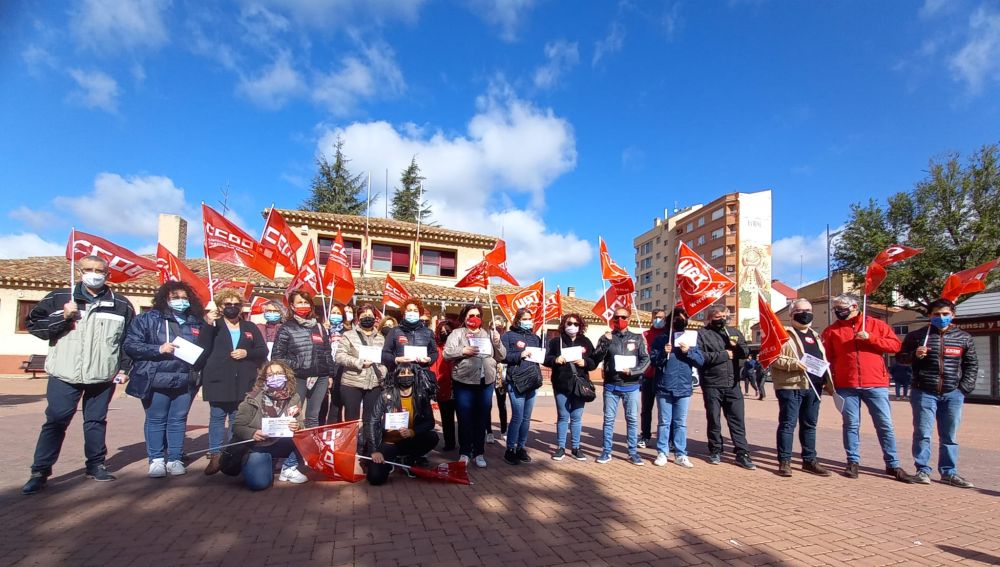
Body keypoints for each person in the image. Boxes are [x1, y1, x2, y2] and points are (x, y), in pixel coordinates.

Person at [21, 255, 136, 495]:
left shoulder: (121, 304)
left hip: (102, 374)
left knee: (96, 421)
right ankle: (40, 471)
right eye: (88, 269)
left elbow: (127, 341)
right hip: (65, 373)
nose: (94, 274)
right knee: (56, 420)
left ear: (107, 274)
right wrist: (61, 317)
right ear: (79, 272)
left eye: (99, 270)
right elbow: (34, 325)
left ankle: (96, 465)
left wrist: (125, 369)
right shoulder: (59, 297)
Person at [821, 293, 915, 483]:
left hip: (875, 383)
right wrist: (829, 383)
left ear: (855, 307)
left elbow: (895, 346)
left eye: (841, 308)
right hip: (846, 385)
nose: (838, 312)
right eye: (835, 309)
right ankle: (852, 461)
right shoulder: (831, 331)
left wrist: (871, 338)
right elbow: (827, 358)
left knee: (884, 424)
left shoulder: (876, 325)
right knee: (851, 424)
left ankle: (893, 464)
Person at [125, 281, 214, 478]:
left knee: (178, 420)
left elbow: (205, 348)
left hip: (186, 378)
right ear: (165, 298)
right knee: (156, 419)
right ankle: (156, 459)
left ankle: (175, 458)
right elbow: (130, 345)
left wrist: (209, 325)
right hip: (156, 376)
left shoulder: (196, 322)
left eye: (184, 298)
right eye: (175, 298)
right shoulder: (148, 319)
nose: (181, 301)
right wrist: (157, 349)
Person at [898, 298, 978, 488]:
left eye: (945, 314)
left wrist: (963, 389)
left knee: (949, 436)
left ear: (953, 315)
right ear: (929, 315)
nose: (941, 318)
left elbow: (971, 365)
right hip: (924, 391)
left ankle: (949, 472)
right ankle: (922, 470)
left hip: (953, 393)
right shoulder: (917, 336)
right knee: (923, 433)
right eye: (936, 314)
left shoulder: (963, 337)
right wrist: (914, 355)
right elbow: (900, 358)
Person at [200, 289, 268, 475]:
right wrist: (208, 323)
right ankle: (215, 454)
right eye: (228, 304)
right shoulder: (214, 325)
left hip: (244, 380)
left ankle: (230, 454)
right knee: (217, 416)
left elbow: (262, 350)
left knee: (237, 418)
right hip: (218, 378)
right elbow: (202, 347)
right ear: (220, 306)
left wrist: (247, 353)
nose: (232, 307)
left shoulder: (249, 327)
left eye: (236, 304)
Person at [769, 299, 832, 477]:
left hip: (814, 386)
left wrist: (827, 380)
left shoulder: (816, 335)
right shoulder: (782, 334)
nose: (805, 314)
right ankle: (785, 461)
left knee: (810, 425)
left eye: (808, 310)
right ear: (791, 314)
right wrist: (794, 364)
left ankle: (809, 460)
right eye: (800, 310)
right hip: (791, 385)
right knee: (788, 424)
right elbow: (772, 358)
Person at [444, 303, 506, 468]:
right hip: (463, 382)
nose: (474, 318)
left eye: (478, 315)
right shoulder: (457, 333)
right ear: (465, 317)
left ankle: (479, 452)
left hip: (486, 382)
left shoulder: (488, 334)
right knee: (464, 418)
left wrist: (497, 342)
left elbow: (501, 356)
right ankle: (465, 452)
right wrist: (463, 351)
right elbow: (446, 353)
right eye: (471, 315)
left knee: (481, 418)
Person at [231, 361, 308, 490]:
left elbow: (300, 422)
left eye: (279, 373)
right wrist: (252, 433)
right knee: (259, 484)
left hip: (281, 442)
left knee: (308, 437)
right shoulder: (253, 398)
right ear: (264, 378)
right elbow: (237, 426)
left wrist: (297, 426)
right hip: (258, 446)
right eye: (271, 375)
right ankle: (250, 462)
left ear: (286, 375)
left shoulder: (294, 397)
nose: (275, 377)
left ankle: (288, 467)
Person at [697, 306, 756, 469]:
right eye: (718, 317)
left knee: (737, 420)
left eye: (724, 316)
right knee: (714, 419)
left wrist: (736, 347)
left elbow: (746, 352)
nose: (722, 319)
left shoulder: (733, 332)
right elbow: (699, 357)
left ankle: (742, 452)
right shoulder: (702, 334)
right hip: (712, 383)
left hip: (733, 383)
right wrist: (723, 355)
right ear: (710, 318)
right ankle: (715, 449)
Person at [592, 306, 650, 465]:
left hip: (631, 386)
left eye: (623, 317)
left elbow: (646, 359)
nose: (620, 320)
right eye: (616, 317)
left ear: (629, 319)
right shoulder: (606, 337)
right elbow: (595, 358)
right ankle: (606, 452)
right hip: (611, 386)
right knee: (608, 420)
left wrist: (633, 371)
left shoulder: (637, 338)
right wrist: (605, 343)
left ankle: (633, 452)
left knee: (632, 420)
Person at [366, 364, 439, 485]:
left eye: (409, 373)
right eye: (402, 373)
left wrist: (413, 432)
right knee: (375, 478)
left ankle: (409, 459)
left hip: (411, 440)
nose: (406, 376)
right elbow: (373, 421)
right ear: (396, 376)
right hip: (389, 443)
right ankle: (390, 462)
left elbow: (430, 422)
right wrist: (374, 450)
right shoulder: (385, 395)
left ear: (414, 376)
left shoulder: (421, 395)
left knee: (432, 437)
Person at [271, 290, 334, 429]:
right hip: (298, 377)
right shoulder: (286, 328)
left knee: (313, 416)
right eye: (300, 302)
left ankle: (311, 441)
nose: (303, 305)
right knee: (294, 414)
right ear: (292, 306)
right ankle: (292, 442)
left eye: (306, 302)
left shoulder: (319, 327)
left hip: (320, 377)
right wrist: (298, 364)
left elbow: (327, 352)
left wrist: (330, 374)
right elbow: (277, 357)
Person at [648, 307, 702, 468]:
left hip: (683, 387)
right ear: (671, 321)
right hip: (664, 386)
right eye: (677, 319)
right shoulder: (661, 339)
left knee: (680, 423)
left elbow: (700, 361)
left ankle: (681, 454)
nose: (680, 321)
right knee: (664, 422)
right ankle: (662, 452)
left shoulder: (691, 339)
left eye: (683, 319)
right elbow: (653, 361)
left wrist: (688, 352)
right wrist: (663, 353)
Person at [544, 313, 597, 461]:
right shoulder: (556, 341)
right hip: (561, 384)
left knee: (576, 417)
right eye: (569, 323)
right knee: (563, 416)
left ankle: (576, 448)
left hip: (580, 384)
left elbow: (593, 362)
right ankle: (560, 447)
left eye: (575, 324)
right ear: (564, 325)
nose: (572, 326)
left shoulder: (585, 341)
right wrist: (555, 359)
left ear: (580, 326)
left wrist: (585, 362)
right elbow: (546, 359)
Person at [335, 303, 387, 453]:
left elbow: (384, 360)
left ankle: (368, 449)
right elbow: (339, 356)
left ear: (375, 318)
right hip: (352, 383)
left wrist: (383, 372)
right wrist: (359, 363)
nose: (367, 318)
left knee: (370, 419)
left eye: (370, 316)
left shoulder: (381, 338)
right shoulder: (348, 335)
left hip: (374, 383)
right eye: (363, 316)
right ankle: (349, 449)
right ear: (358, 318)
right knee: (351, 419)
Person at [500, 308, 544, 465]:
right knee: (517, 416)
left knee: (526, 417)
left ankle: (521, 447)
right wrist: (520, 355)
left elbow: (541, 357)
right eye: (525, 319)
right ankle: (510, 449)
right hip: (516, 381)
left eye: (530, 318)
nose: (528, 321)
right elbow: (503, 356)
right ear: (517, 320)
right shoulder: (508, 336)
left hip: (532, 380)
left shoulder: (535, 337)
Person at [381, 298, 436, 374]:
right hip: (401, 373)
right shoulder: (394, 331)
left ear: (419, 313)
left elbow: (434, 352)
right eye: (409, 310)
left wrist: (429, 359)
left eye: (415, 311)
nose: (412, 313)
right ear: (404, 312)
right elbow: (385, 354)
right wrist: (396, 359)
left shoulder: (428, 332)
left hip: (422, 374)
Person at [639, 309, 668, 449]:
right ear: (651, 318)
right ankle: (645, 436)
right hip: (648, 377)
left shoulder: (668, 335)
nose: (659, 320)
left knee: (665, 411)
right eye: (656, 317)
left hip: (664, 377)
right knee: (646, 409)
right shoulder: (644, 335)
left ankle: (668, 439)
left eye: (661, 317)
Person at [431, 319, 458, 451]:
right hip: (443, 386)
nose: (445, 333)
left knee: (463, 418)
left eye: (447, 331)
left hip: (458, 385)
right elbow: (434, 368)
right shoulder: (437, 347)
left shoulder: (458, 346)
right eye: (442, 331)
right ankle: (449, 443)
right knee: (447, 418)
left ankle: (466, 444)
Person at [322, 303, 347, 424]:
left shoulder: (347, 332)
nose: (335, 315)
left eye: (338, 313)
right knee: (322, 402)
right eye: (333, 313)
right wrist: (323, 330)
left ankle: (334, 426)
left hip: (340, 369)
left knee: (336, 403)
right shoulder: (321, 329)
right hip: (324, 368)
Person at [489, 319, 509, 444]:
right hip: (488, 371)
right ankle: (489, 432)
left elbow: (505, 355)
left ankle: (503, 430)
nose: (496, 329)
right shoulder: (486, 338)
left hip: (501, 371)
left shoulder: (505, 339)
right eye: (493, 327)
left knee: (502, 403)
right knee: (487, 404)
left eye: (499, 326)